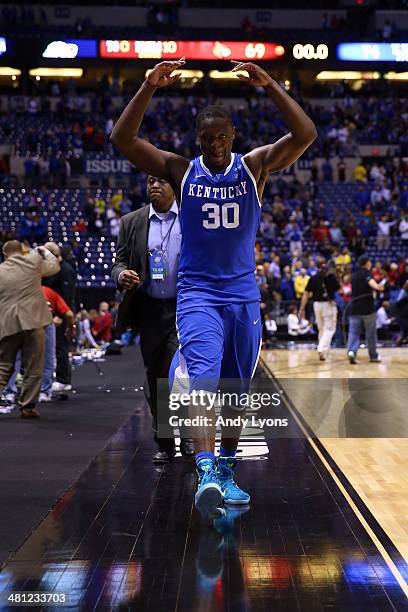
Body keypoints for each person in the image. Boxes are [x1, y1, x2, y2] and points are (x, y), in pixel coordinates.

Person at [110, 58, 316, 519]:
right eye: (208, 139)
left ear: (233, 137)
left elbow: (305, 135)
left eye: (223, 138)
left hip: (243, 297)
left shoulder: (255, 167)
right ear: (198, 141)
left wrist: (270, 85)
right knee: (203, 384)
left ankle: (225, 469)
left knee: (235, 392)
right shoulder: (182, 172)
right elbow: (122, 139)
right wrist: (148, 85)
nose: (217, 145)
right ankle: (204, 469)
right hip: (199, 294)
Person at [112, 175, 194, 462]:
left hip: (183, 307)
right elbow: (119, 261)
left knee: (179, 374)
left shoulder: (190, 216)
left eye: (161, 181)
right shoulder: (131, 221)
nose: (154, 186)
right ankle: (164, 439)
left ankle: (186, 434)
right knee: (154, 376)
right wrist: (121, 275)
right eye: (150, 181)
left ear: (175, 187)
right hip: (148, 309)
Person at [0, 241, 59, 418]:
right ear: (22, 251)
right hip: (33, 322)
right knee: (34, 367)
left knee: (3, 367)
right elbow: (54, 267)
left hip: (8, 324)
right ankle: (28, 407)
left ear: (5, 254)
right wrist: (44, 252)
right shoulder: (33, 260)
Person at [42, 242, 76, 392]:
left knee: (61, 346)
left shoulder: (65, 270)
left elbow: (67, 295)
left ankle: (64, 380)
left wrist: (61, 316)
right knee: (52, 348)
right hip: (49, 313)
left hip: (61, 313)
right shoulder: (49, 269)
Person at [346, 255, 386, 364]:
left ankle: (351, 351)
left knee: (353, 332)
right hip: (368, 309)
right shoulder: (367, 274)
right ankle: (373, 356)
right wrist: (379, 287)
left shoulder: (353, 276)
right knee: (371, 334)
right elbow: (373, 284)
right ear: (367, 263)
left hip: (354, 308)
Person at [40, 285, 76, 402]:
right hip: (45, 324)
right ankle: (44, 392)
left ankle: (10, 392)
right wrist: (71, 330)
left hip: (23, 324)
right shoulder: (48, 291)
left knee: (18, 361)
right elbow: (69, 314)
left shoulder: (21, 289)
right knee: (47, 360)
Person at [299, 259, 339, 361]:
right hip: (328, 304)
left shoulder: (313, 278)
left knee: (321, 329)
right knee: (329, 329)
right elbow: (339, 288)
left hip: (316, 305)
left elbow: (306, 293)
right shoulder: (331, 277)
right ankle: (321, 348)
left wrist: (302, 308)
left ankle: (325, 351)